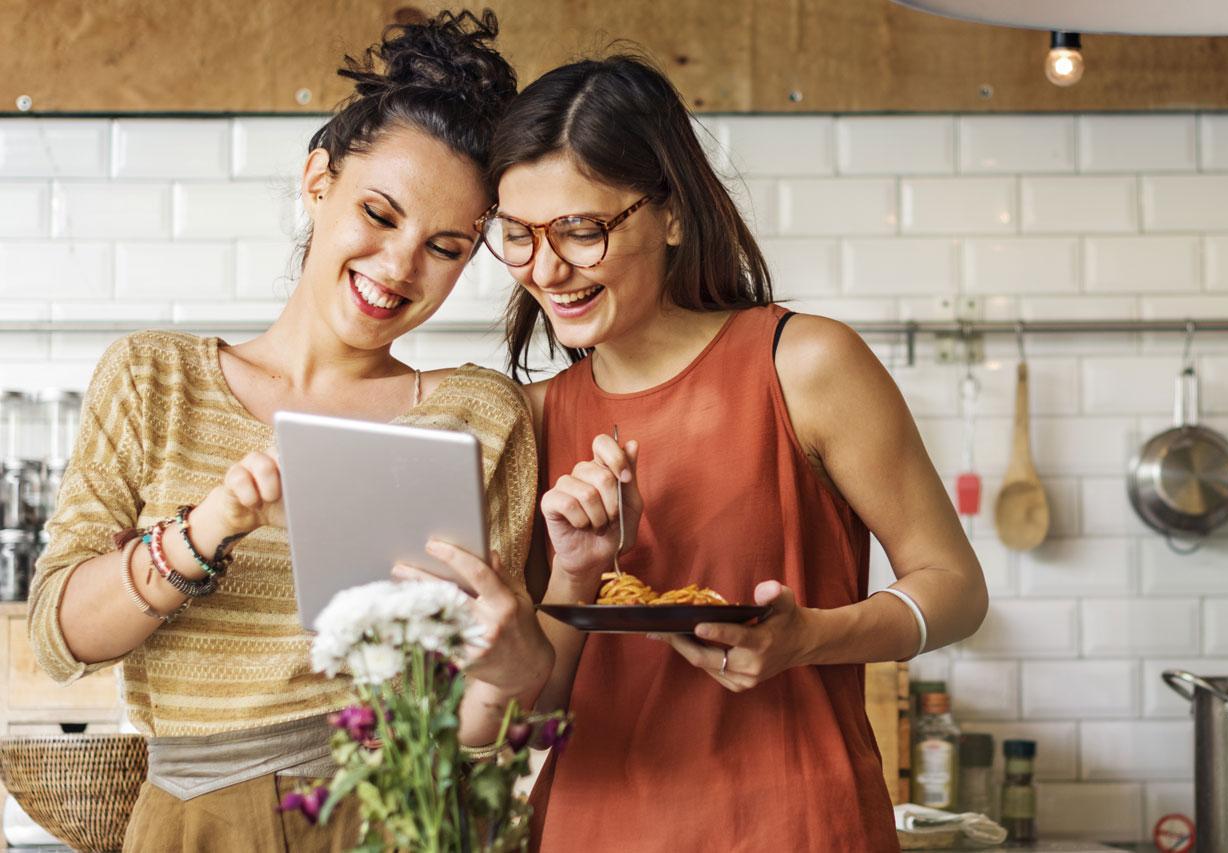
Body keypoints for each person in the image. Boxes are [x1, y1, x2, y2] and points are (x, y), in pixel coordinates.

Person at [27, 12, 551, 851]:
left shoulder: (483, 415)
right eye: (378, 214)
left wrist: (519, 658)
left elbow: (492, 700)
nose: (399, 266)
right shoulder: (155, 379)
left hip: (411, 807)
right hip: (201, 819)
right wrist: (205, 531)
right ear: (318, 180)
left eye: (445, 247)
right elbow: (60, 636)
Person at [476, 54, 990, 851]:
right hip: (591, 828)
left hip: (793, 826)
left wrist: (809, 637)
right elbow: (532, 717)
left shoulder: (805, 364)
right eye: (516, 235)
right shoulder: (534, 418)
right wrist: (576, 573)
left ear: (671, 212)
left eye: (581, 230)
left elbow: (957, 590)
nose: (545, 269)